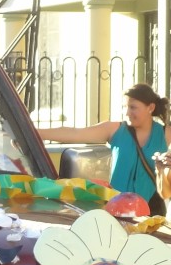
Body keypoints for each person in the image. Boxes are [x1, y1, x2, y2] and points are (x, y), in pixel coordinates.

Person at [38, 83, 170, 214]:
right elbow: (75, 133)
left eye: (133, 107)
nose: (127, 113)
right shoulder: (116, 130)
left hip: (152, 212)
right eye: (125, 107)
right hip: (116, 209)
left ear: (150, 108)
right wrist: (35, 132)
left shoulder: (166, 134)